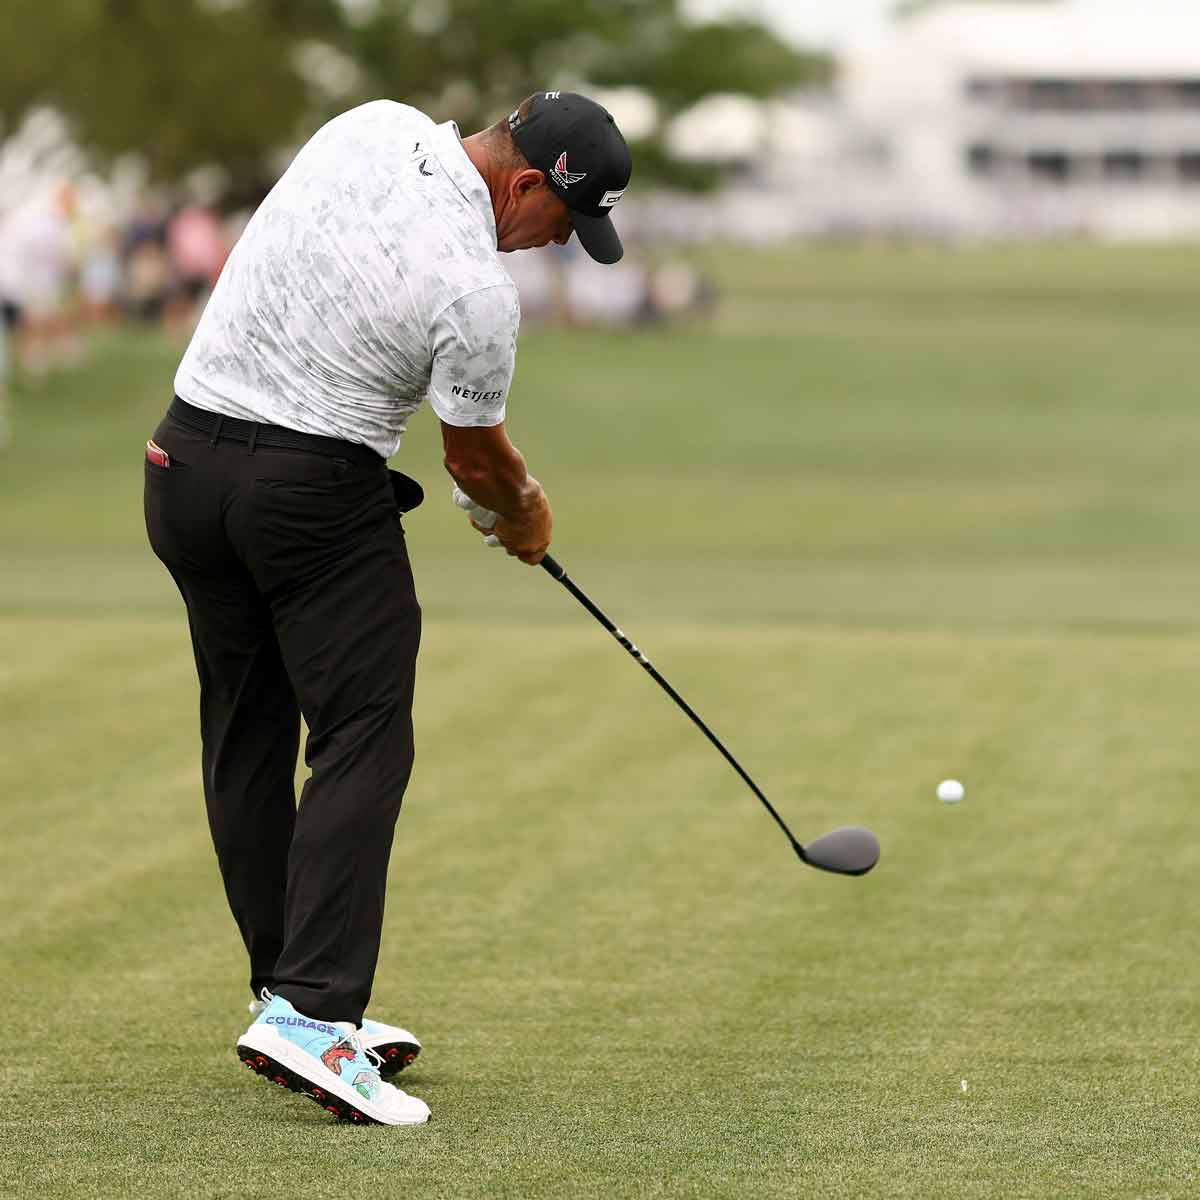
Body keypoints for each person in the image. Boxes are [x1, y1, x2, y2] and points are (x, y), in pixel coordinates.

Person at [143, 91, 632, 1127]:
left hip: (182, 463)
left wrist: (495, 498)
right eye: (560, 224)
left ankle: (285, 993)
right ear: (524, 184)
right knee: (364, 733)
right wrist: (525, 513)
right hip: (309, 494)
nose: (552, 246)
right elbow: (476, 459)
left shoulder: (369, 122)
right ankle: (315, 1017)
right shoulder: (477, 291)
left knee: (246, 727)